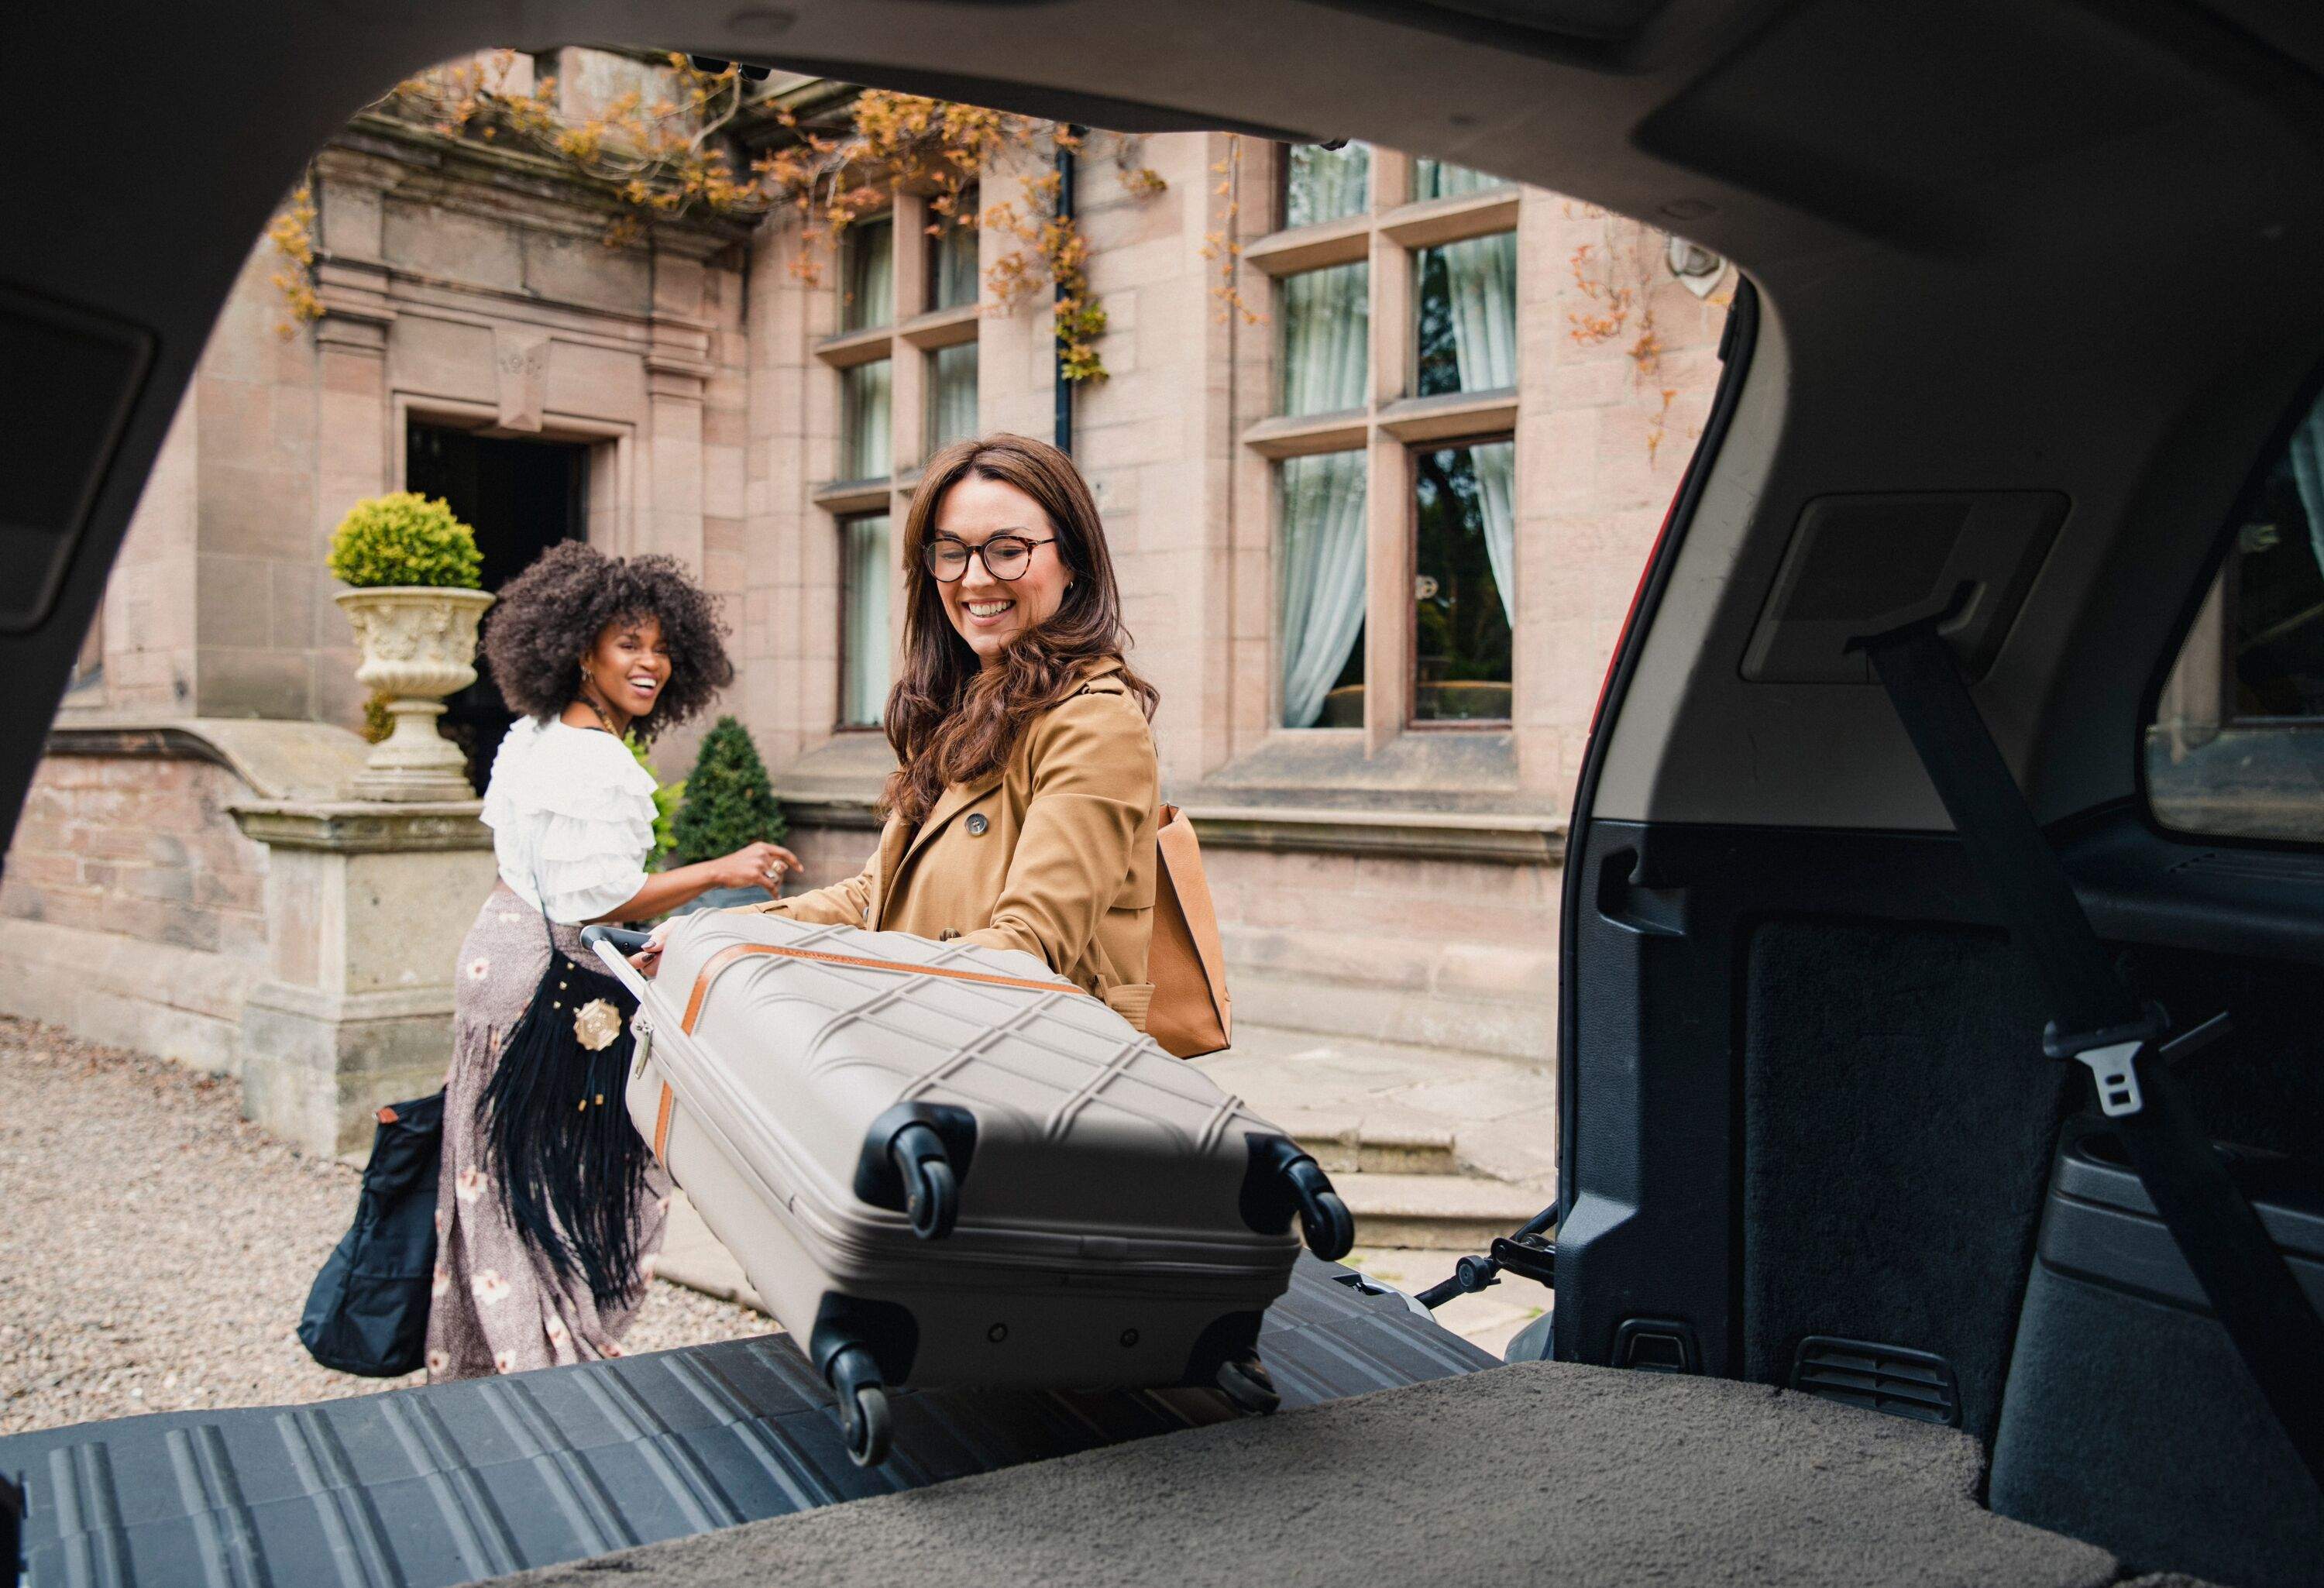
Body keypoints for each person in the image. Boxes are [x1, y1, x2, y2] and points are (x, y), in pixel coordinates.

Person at [427, 541, 799, 1381]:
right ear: (578, 647)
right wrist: (721, 870)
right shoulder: (596, 763)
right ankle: (544, 1363)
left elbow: (530, 871)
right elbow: (594, 902)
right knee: (566, 1177)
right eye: (628, 643)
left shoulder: (534, 736)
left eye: (663, 646)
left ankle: (486, 1359)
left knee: (500, 1170)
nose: (652, 663)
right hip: (545, 978)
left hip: (495, 950)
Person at [638, 434, 1162, 1026]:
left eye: (1008, 550)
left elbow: (1027, 949)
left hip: (1032, 1074)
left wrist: (814, 968)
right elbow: (873, 897)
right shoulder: (964, 709)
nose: (974, 579)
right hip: (934, 1046)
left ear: (1073, 560)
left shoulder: (1093, 719)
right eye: (952, 551)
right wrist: (718, 932)